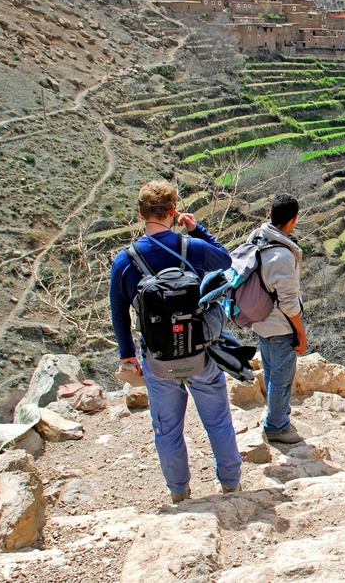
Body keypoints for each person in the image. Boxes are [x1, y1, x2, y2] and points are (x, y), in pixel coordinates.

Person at [109, 180, 242, 503]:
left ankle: (179, 493)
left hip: (157, 359)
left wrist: (128, 356)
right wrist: (198, 230)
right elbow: (226, 261)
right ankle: (231, 486)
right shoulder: (190, 248)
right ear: (173, 211)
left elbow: (119, 314)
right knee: (218, 421)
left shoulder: (125, 261)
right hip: (199, 352)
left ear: (141, 213)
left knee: (167, 430)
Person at [248, 191, 307, 444]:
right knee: (281, 379)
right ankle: (277, 426)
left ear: (271, 215)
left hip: (259, 319)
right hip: (279, 325)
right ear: (293, 220)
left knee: (272, 373)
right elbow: (289, 304)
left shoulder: (257, 237)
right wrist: (301, 333)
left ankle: (278, 414)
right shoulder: (282, 255)